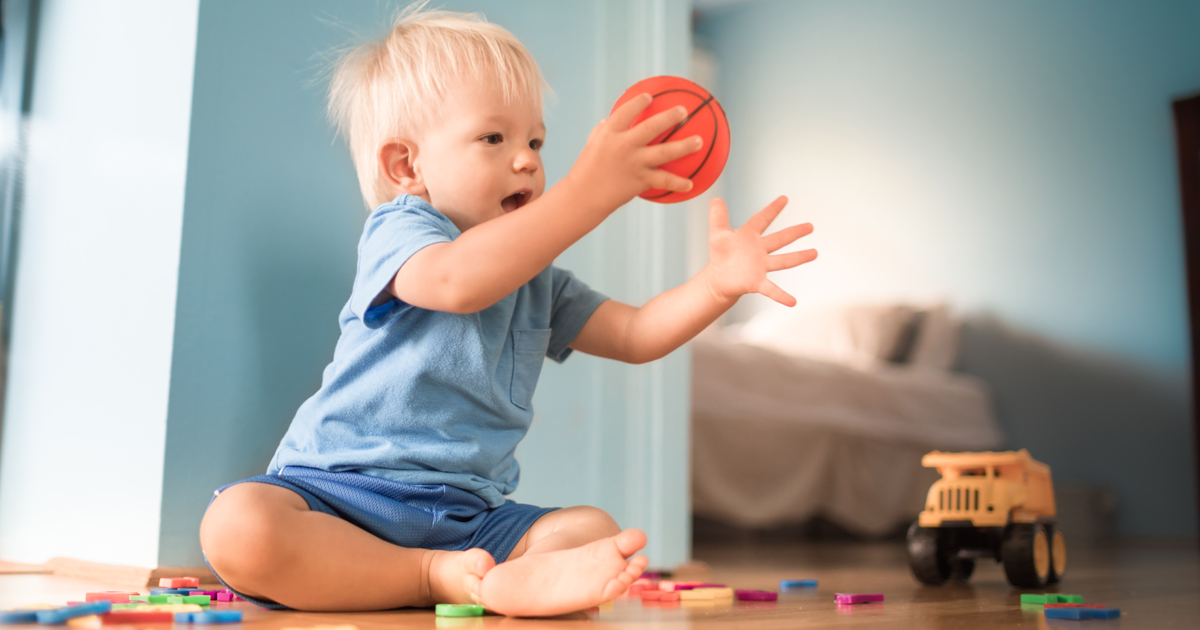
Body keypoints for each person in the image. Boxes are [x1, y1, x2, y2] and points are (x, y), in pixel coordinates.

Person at [198, 5, 816, 618]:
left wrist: (716, 285)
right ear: (407, 167)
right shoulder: (400, 231)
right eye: (494, 138)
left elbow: (636, 333)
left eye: (535, 141)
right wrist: (589, 190)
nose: (527, 159)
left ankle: (478, 576)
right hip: (338, 496)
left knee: (592, 529)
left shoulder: (535, 279)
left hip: (470, 516)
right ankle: (431, 577)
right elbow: (458, 280)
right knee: (238, 525)